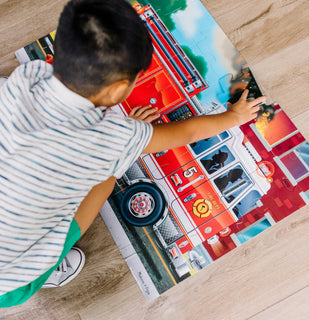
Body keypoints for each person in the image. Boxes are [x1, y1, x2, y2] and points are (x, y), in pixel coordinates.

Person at [0, 0, 265, 307]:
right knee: (108, 179)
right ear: (117, 91)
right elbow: (189, 133)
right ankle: (47, 270)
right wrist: (233, 118)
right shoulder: (112, 139)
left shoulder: (22, 80)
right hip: (9, 281)